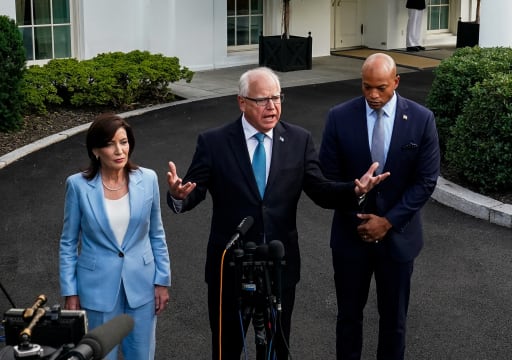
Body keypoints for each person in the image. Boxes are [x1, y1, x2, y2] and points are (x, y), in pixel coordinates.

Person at [165, 66, 388, 360]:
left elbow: (320, 190)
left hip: (278, 266)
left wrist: (355, 191)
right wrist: (178, 195)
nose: (271, 106)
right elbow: (194, 190)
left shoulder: (298, 139)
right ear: (241, 102)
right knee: (226, 348)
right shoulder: (214, 142)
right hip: (230, 265)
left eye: (277, 97)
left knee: (276, 349)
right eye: (262, 100)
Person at [319, 53, 440, 359]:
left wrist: (387, 222)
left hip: (398, 239)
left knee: (394, 322)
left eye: (381, 88)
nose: (373, 95)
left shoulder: (422, 119)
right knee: (348, 319)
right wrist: (355, 197)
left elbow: (425, 182)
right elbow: (327, 178)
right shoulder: (338, 116)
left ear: (396, 82)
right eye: (367, 87)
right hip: (351, 237)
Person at [59, 113, 171, 360]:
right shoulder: (77, 186)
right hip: (96, 291)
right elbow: (68, 242)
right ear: (96, 151)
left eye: (124, 141)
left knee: (141, 355)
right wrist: (70, 292)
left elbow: (156, 233)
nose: (120, 150)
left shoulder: (148, 179)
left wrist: (162, 280)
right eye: (110, 143)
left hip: (142, 287)